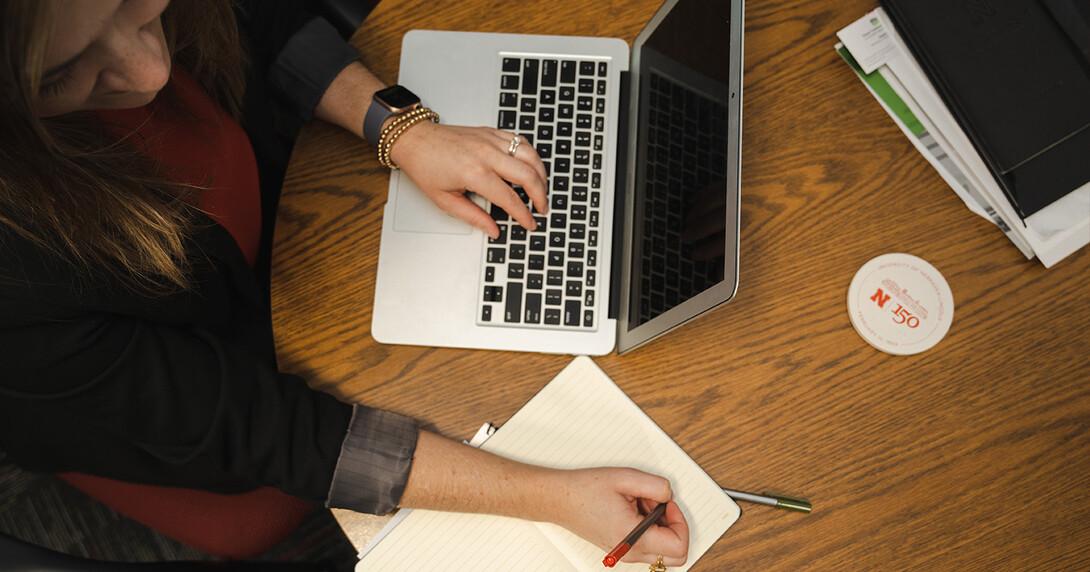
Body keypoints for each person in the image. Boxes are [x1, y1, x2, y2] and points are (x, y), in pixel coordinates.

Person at [0, 0, 690, 566]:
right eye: (61, 75)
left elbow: (258, 19)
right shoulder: (19, 281)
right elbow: (273, 435)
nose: (150, 70)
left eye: (136, 5)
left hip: (276, 252)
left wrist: (404, 131)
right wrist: (556, 497)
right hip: (197, 413)